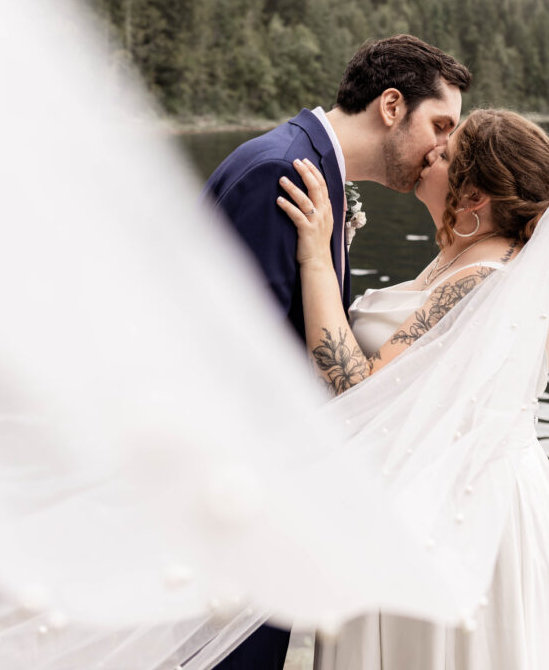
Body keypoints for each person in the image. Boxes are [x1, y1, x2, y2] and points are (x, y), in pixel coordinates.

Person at [278, 109, 549, 669]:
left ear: (475, 199)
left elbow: (355, 384)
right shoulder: (469, 259)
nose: (430, 153)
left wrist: (315, 257)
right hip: (441, 501)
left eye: (446, 153)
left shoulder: (481, 283)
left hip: (456, 520)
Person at [202, 34, 472, 669]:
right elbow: (232, 365)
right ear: (390, 105)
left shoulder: (312, 172)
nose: (444, 147)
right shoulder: (282, 173)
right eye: (440, 123)